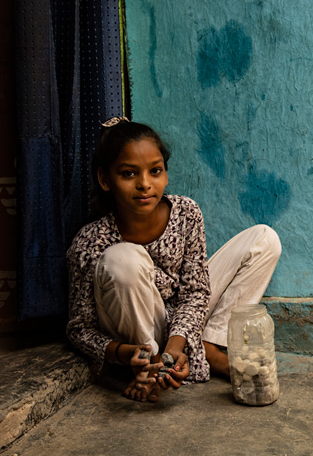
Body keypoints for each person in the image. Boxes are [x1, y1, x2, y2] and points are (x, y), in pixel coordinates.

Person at [66, 118, 282, 403]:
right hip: (137, 331)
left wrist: (176, 346)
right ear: (105, 179)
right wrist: (128, 353)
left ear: (166, 174)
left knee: (264, 238)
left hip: (182, 321)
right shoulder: (91, 241)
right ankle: (152, 369)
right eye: (129, 174)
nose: (145, 184)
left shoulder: (186, 212)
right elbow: (80, 329)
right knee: (124, 259)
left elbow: (195, 292)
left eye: (155, 171)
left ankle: (206, 344)